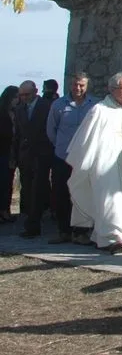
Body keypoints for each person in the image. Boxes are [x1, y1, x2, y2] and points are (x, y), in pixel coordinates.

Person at [66, 72, 122, 253]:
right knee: (111, 202)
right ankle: (114, 239)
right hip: (104, 166)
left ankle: (107, 237)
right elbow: (85, 140)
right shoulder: (100, 110)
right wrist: (86, 163)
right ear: (113, 89)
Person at [45, 72, 99, 245]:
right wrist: (62, 147)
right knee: (61, 194)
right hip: (63, 157)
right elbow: (51, 130)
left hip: (85, 159)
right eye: (75, 84)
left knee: (83, 195)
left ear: (87, 85)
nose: (78, 88)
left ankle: (81, 232)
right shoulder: (58, 104)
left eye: (82, 85)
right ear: (70, 85)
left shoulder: (95, 105)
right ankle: (64, 231)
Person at [12, 80, 53, 238]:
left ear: (35, 91)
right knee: (27, 190)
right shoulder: (19, 109)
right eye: (21, 95)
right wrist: (14, 156)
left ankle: (34, 224)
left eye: (27, 94)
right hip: (25, 156)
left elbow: (50, 130)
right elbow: (17, 135)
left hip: (42, 154)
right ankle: (31, 221)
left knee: (38, 189)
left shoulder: (46, 106)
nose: (24, 98)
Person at [0, 85, 17, 223]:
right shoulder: (2, 113)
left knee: (8, 182)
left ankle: (5, 209)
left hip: (11, 153)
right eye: (16, 97)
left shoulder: (16, 113)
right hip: (3, 151)